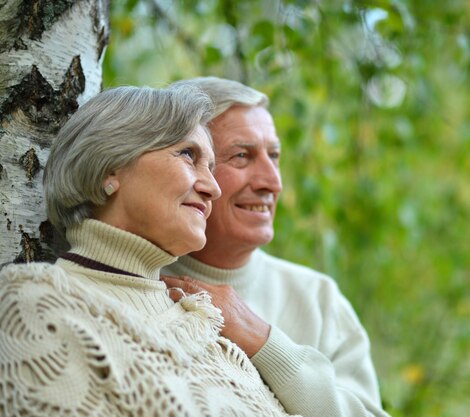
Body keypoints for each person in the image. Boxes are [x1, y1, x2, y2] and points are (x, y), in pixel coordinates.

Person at [0, 86, 300, 417]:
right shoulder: (33, 303)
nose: (212, 187)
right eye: (188, 155)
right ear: (108, 169)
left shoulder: (205, 322)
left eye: (212, 166)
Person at [163, 77, 390, 417]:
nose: (272, 182)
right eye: (242, 156)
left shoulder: (319, 300)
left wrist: (264, 343)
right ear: (188, 165)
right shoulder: (137, 281)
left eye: (274, 156)